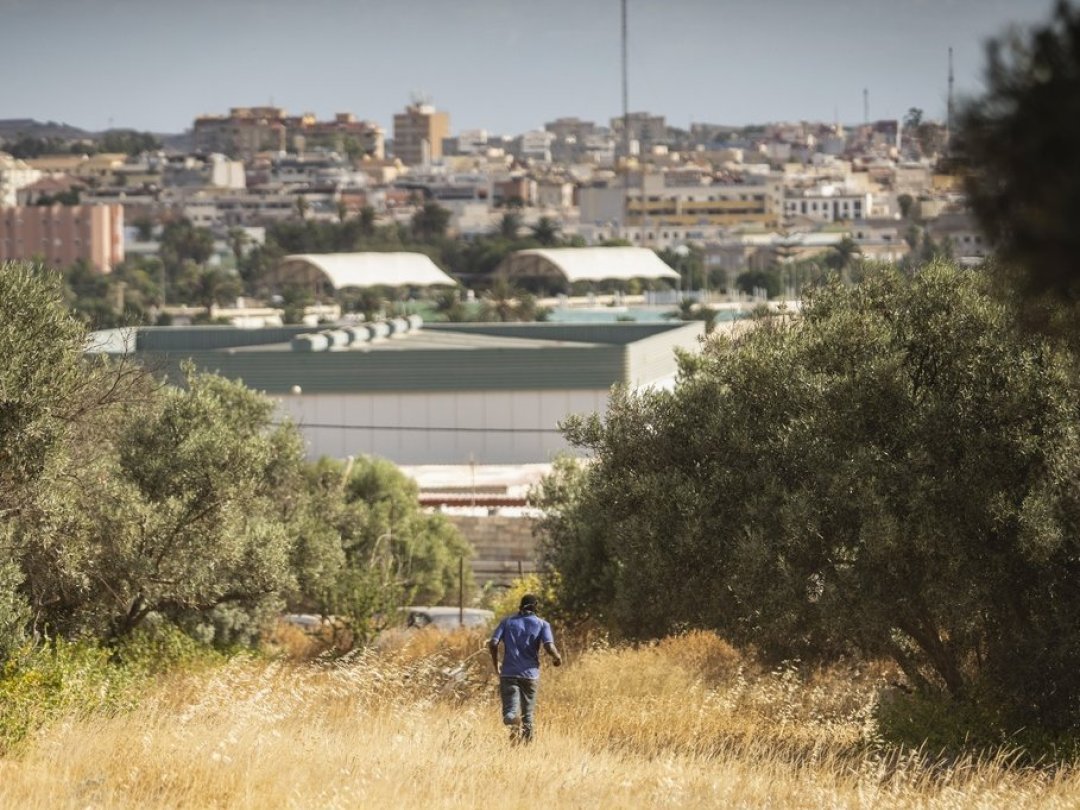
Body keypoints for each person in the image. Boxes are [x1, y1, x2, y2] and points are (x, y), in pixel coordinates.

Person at [488, 593, 561, 743]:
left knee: (511, 712)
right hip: (530, 674)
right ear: (536, 607)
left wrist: (496, 664)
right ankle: (526, 747)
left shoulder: (507, 622)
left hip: (508, 673)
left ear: (520, 606)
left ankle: (512, 725)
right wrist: (557, 657)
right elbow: (549, 645)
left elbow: (493, 643)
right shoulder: (542, 624)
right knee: (527, 714)